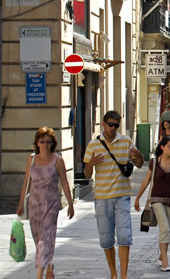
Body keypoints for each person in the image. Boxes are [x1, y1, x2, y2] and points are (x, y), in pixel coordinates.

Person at [83, 110, 144, 279]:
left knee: (124, 235)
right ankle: (113, 273)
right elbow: (87, 174)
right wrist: (91, 164)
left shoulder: (126, 141)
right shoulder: (93, 145)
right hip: (102, 197)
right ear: (103, 124)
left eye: (116, 125)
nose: (113, 128)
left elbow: (138, 163)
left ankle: (123, 274)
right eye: (110, 124)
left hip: (122, 194)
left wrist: (139, 156)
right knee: (106, 239)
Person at [16, 127, 74, 279]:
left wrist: (70, 203)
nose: (45, 145)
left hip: (51, 204)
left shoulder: (58, 160)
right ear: (37, 142)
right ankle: (49, 264)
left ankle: (39, 274)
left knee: (46, 238)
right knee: (38, 238)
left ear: (52, 143)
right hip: (34, 205)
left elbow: (65, 183)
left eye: (48, 142)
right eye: (42, 141)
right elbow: (26, 183)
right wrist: (21, 203)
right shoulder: (32, 159)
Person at [134, 136, 170, 272]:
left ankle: (161, 255)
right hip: (156, 199)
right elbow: (146, 180)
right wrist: (137, 198)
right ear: (162, 147)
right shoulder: (154, 162)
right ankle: (165, 260)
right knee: (165, 228)